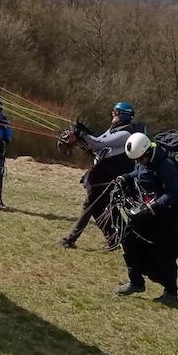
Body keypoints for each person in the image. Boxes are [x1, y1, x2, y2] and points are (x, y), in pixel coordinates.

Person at [59, 102, 142, 250]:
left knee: (89, 206)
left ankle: (71, 239)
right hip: (101, 174)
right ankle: (116, 240)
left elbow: (99, 144)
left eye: (115, 112)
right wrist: (82, 134)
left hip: (108, 177)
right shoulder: (115, 129)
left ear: (123, 114)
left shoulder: (125, 134)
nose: (112, 114)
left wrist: (82, 134)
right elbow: (96, 142)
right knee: (100, 209)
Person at [114, 131, 178, 305]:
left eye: (140, 159)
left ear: (148, 153)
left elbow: (174, 193)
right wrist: (125, 178)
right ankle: (136, 281)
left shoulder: (166, 165)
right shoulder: (142, 159)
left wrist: (154, 207)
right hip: (143, 212)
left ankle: (171, 292)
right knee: (128, 241)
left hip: (162, 217)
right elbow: (137, 173)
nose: (138, 163)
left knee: (162, 254)